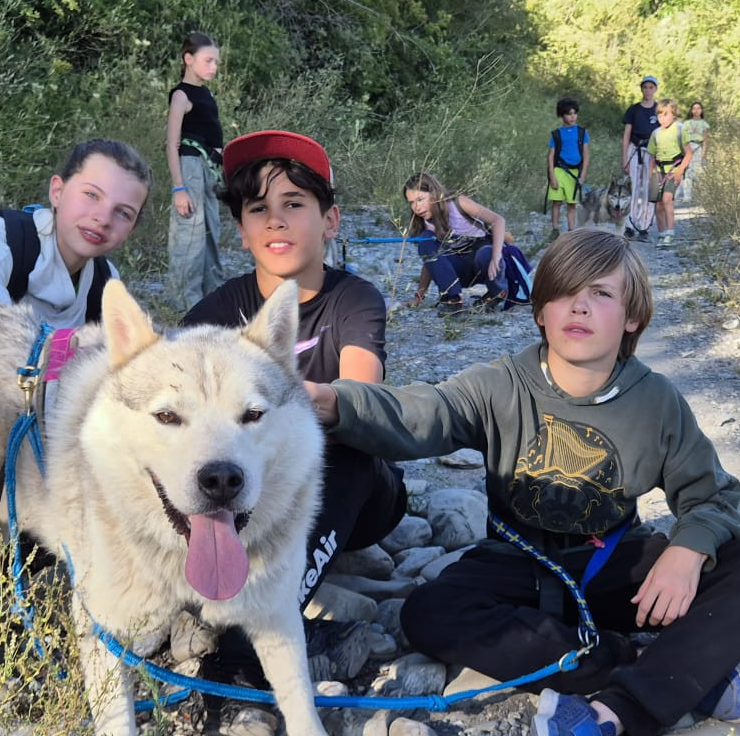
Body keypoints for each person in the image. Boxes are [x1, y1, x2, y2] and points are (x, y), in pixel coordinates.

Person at [306, 228, 740, 736]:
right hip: (515, 562)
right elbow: (424, 411)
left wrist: (687, 548)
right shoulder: (500, 384)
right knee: (429, 614)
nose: (580, 305)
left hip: (614, 566)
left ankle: (617, 712)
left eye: (602, 294)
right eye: (563, 293)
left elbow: (711, 495)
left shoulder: (657, 400)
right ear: (540, 311)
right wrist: (335, 401)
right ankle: (662, 670)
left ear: (632, 318)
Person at [183, 130, 407, 607]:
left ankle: (267, 620)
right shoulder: (214, 312)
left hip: (359, 491)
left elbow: (359, 395)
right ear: (242, 233)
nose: (276, 221)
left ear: (330, 221)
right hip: (247, 488)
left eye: (294, 204)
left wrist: (290, 406)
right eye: (258, 209)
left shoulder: (355, 300)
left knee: (343, 446)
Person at [0, 139, 150, 327]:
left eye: (123, 213)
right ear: (57, 191)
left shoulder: (104, 281)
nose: (103, 218)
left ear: (132, 228)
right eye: (91, 195)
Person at [165, 31, 226, 309]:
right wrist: (179, 188)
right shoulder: (181, 95)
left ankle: (212, 295)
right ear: (188, 59)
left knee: (211, 232)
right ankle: (183, 301)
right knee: (190, 234)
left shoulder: (206, 93)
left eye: (216, 62)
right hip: (189, 167)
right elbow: (172, 144)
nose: (213, 67)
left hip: (210, 168)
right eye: (208, 60)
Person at [403, 172, 509, 314]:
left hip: (484, 263)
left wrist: (496, 257)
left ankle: (496, 293)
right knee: (426, 241)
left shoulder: (457, 202)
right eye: (411, 203)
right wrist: (418, 297)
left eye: (420, 199)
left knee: (486, 253)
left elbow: (498, 220)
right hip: (459, 270)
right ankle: (452, 299)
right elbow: (431, 261)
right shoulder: (425, 224)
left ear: (434, 194)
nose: (416, 207)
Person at [618, 76, 661, 240]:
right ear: (641, 89)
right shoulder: (634, 110)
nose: (648, 90)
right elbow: (626, 134)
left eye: (651, 87)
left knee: (648, 188)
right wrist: (625, 158)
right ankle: (629, 225)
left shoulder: (659, 110)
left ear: (655, 89)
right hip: (634, 149)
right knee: (633, 188)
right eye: (645, 87)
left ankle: (644, 226)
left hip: (651, 151)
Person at [646, 99, 693, 243]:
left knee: (667, 199)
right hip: (658, 171)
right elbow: (652, 156)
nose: (662, 118)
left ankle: (670, 233)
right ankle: (661, 233)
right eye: (660, 115)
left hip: (674, 169)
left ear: (674, 115)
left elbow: (689, 153)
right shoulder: (655, 133)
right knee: (658, 204)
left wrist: (679, 173)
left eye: (666, 115)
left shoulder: (680, 129)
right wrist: (650, 174)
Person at [547, 98, 590, 238]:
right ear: (561, 115)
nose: (572, 117)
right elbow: (551, 156)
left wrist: (583, 174)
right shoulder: (556, 134)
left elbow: (586, 155)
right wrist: (552, 176)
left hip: (575, 172)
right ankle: (555, 229)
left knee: (572, 203)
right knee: (556, 202)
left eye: (574, 113)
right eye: (568, 114)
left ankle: (571, 230)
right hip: (559, 170)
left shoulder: (582, 133)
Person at [677, 102, 710, 203]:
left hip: (698, 147)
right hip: (688, 147)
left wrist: (703, 152)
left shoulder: (704, 124)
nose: (696, 110)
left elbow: (705, 139)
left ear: (701, 110)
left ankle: (702, 196)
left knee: (698, 172)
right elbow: (682, 137)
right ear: (691, 110)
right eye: (694, 108)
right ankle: (687, 196)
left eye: (699, 108)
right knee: (687, 172)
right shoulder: (687, 123)